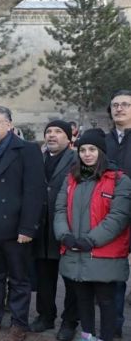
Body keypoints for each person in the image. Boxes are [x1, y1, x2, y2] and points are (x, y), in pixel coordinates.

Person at [0, 105, 46, 341]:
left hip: (15, 228)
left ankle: (18, 323)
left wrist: (27, 227)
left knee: (18, 278)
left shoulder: (27, 150)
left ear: (9, 125)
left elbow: (35, 192)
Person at [54, 129, 131, 341]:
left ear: (102, 152)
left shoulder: (119, 180)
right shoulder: (71, 179)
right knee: (83, 299)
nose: (87, 154)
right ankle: (88, 336)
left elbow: (118, 217)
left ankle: (106, 337)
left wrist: (90, 240)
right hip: (74, 251)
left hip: (103, 253)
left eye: (92, 149)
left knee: (106, 301)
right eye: (83, 150)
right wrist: (64, 235)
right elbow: (59, 209)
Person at [31, 120, 78, 340]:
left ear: (69, 138)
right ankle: (45, 315)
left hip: (67, 228)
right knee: (44, 277)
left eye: (58, 132)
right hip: (41, 228)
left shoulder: (77, 160)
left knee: (70, 279)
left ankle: (69, 322)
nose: (52, 135)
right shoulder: (37, 159)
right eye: (48, 131)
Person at [104, 89, 131, 338]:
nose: (119, 109)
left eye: (125, 104)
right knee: (115, 273)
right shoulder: (104, 140)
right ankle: (113, 326)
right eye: (115, 105)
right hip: (109, 214)